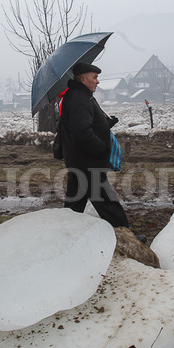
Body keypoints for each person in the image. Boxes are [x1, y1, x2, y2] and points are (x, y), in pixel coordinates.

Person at [58, 62, 129, 228]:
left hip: (80, 162)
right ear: (83, 79)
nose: (97, 81)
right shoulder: (79, 99)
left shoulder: (80, 96)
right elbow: (82, 134)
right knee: (108, 204)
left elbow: (84, 126)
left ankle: (64, 233)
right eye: (95, 77)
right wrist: (102, 148)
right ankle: (124, 234)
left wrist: (105, 124)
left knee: (74, 206)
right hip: (88, 164)